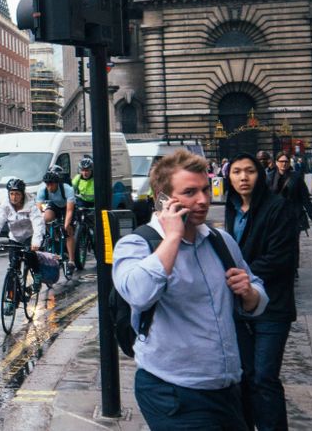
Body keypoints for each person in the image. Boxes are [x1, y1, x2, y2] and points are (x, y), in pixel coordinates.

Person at [114, 150, 267, 429]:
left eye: (205, 189)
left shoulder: (221, 241)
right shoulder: (136, 245)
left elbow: (257, 292)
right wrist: (172, 236)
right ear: (163, 199)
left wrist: (250, 294)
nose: (203, 200)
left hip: (228, 387)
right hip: (173, 392)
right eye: (190, 192)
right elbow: (138, 294)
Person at [222, 153, 297, 431]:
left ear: (260, 175)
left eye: (250, 171)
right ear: (228, 177)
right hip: (241, 306)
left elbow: (281, 258)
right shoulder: (231, 207)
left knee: (265, 377)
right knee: (244, 375)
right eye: (237, 172)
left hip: (273, 306)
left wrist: (241, 274)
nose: (243, 177)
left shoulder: (277, 207)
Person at [0, 178, 44, 295]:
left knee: (30, 255)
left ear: (22, 194)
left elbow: (38, 223)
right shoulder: (5, 205)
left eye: (17, 194)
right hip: (14, 237)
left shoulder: (31, 204)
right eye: (11, 194)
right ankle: (10, 298)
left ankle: (37, 275)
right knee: (13, 267)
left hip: (29, 236)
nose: (14, 197)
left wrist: (36, 241)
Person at [268, 151, 312, 235]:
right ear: (276, 162)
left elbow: (305, 199)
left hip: (293, 217)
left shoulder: (296, 177)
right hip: (275, 217)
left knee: (292, 245)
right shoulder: (269, 177)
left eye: (286, 161)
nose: (284, 164)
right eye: (281, 161)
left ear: (289, 163)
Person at [36, 165, 77, 268]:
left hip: (66, 206)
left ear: (57, 183)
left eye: (51, 185)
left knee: (68, 230)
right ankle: (54, 236)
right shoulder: (42, 190)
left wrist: (66, 225)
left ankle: (72, 261)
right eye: (47, 185)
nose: (49, 187)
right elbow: (39, 209)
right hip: (54, 204)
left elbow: (69, 210)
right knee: (45, 218)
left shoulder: (67, 189)